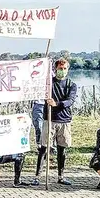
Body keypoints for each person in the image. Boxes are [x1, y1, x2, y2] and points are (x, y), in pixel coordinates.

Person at [33, 58, 77, 186]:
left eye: (64, 69)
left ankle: (61, 176)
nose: (62, 71)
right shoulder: (49, 84)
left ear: (67, 69)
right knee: (43, 148)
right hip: (49, 119)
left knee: (62, 149)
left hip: (64, 120)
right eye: (59, 69)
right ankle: (37, 176)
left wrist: (56, 103)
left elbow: (70, 101)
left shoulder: (71, 85)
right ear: (55, 69)